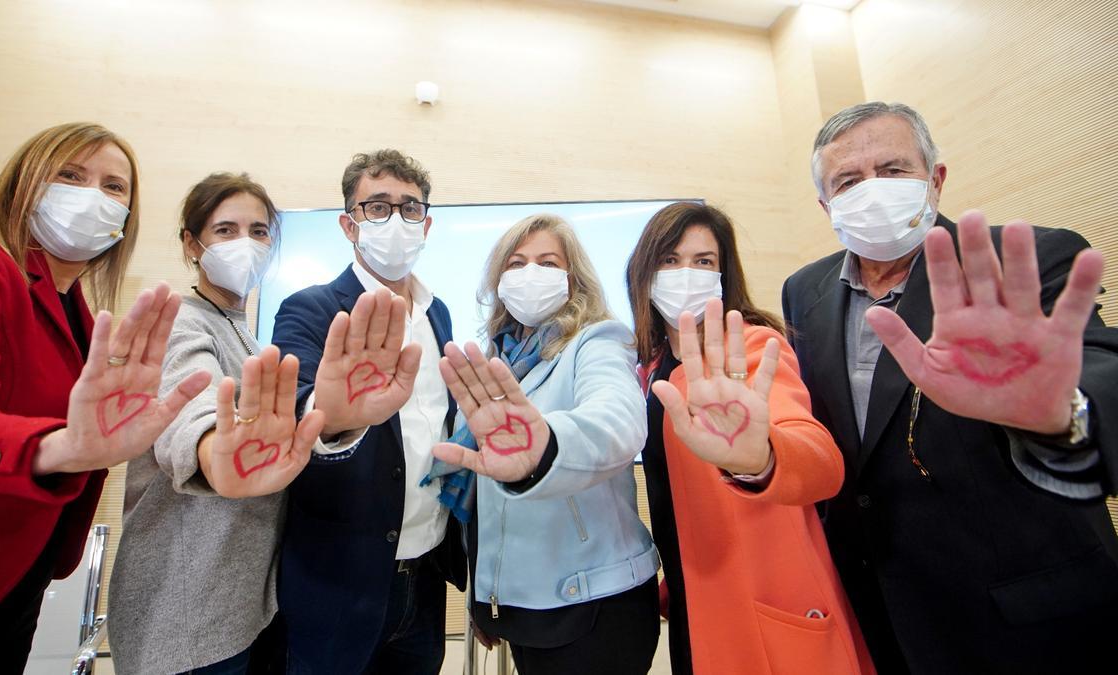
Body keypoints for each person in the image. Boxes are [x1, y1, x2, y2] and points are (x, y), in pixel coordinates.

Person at [782, 101, 1118, 673]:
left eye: (892, 170)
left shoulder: (1023, 259)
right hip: (882, 613)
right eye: (849, 181)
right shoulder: (804, 290)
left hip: (1029, 619)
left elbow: (1100, 380)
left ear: (935, 179)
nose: (873, 190)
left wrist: (1058, 413)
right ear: (826, 205)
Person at [0, 122, 210, 670]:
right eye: (71, 176)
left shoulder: (76, 310)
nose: (92, 197)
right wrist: (57, 448)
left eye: (114, 187)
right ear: (22, 187)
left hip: (17, 577)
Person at [109, 172, 404, 674]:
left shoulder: (240, 331)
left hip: (238, 605)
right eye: (225, 231)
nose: (245, 243)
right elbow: (192, 408)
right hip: (183, 610)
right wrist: (212, 453)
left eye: (259, 231)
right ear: (191, 244)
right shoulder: (181, 321)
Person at [625, 201, 873, 674]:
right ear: (644, 274)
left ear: (724, 275)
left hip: (765, 602)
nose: (686, 274)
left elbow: (818, 460)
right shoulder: (652, 365)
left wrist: (761, 459)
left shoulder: (753, 349)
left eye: (704, 262)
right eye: (670, 260)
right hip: (694, 599)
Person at [431, 213, 660, 675]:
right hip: (523, 607)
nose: (530, 273)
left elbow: (617, 423)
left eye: (547, 261)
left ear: (572, 279)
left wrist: (547, 450)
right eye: (515, 264)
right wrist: (487, 595)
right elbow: (487, 499)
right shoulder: (500, 359)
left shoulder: (597, 342)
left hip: (594, 604)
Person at [272, 149, 466, 674]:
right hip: (338, 579)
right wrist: (332, 417)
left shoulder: (439, 313)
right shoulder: (310, 308)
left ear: (426, 224)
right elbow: (296, 405)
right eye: (377, 208)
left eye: (409, 209)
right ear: (349, 225)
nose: (395, 222)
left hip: (425, 574)